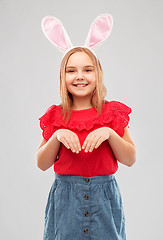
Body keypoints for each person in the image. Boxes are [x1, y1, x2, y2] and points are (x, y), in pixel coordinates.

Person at [37, 14, 136, 240]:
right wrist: (57, 136)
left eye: (87, 70)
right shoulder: (56, 116)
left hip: (104, 198)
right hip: (66, 200)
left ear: (97, 73)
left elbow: (130, 158)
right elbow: (42, 163)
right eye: (71, 70)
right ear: (62, 76)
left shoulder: (111, 113)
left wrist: (110, 133)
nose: (79, 76)